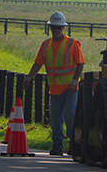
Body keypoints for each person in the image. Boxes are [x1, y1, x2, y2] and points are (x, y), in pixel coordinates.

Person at [23, 11, 85, 156]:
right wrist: (29, 77)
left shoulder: (72, 44)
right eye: (53, 27)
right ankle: (57, 146)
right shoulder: (45, 45)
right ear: (50, 28)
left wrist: (74, 81)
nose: (56, 30)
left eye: (59, 27)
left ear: (63, 28)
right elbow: (38, 64)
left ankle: (73, 145)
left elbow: (80, 64)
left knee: (70, 115)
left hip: (70, 88)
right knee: (55, 118)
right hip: (55, 88)